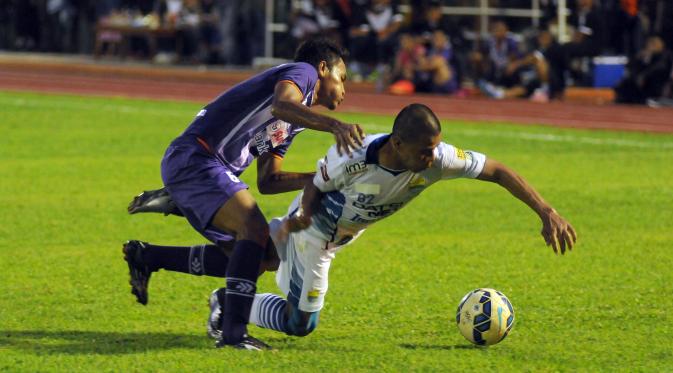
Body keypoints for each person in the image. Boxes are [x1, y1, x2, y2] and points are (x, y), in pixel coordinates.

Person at [202, 103, 575, 349]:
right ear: (397, 143)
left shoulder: (438, 159)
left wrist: (546, 211)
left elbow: (497, 170)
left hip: (339, 235)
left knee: (258, 256)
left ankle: (219, 278)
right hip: (314, 232)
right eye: (424, 151)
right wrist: (303, 219)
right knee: (300, 324)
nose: (433, 158)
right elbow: (316, 182)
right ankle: (227, 303)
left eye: (435, 148)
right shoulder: (353, 156)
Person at [122, 38, 365, 350]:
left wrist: (325, 179)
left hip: (207, 169)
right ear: (322, 69)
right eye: (342, 77)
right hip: (198, 158)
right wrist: (335, 126)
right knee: (254, 229)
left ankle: (149, 256)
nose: (344, 88)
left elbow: (269, 179)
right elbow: (281, 105)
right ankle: (234, 335)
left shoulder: (295, 122)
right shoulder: (302, 72)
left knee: (259, 255)